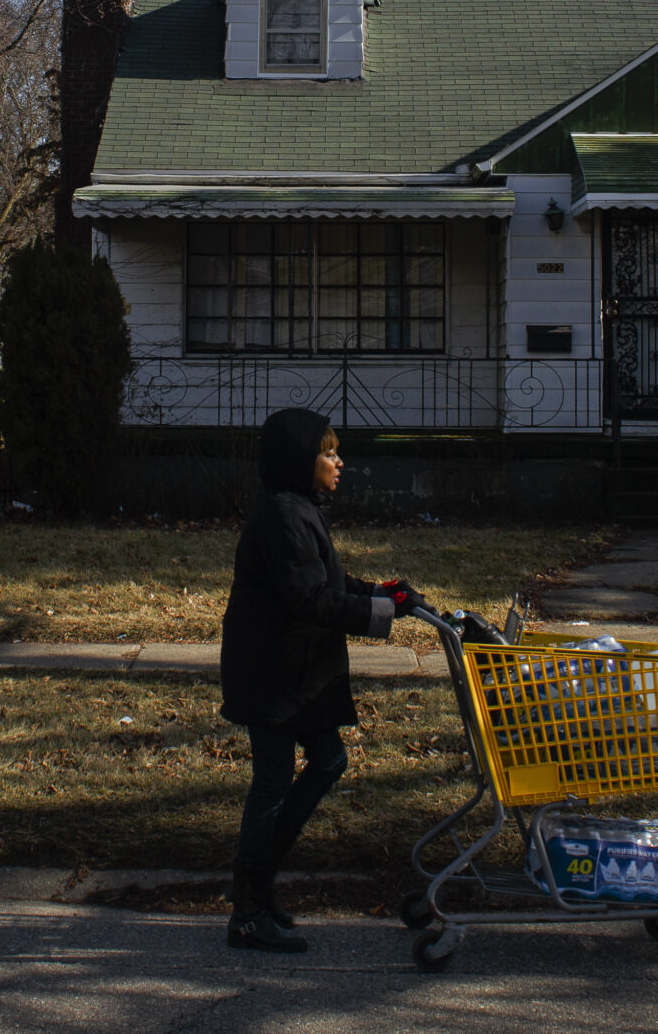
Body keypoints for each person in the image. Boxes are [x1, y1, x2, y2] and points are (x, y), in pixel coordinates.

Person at [218, 407, 425, 953]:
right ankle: (247, 909)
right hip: (272, 676)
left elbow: (327, 580)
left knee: (329, 759)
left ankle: (259, 891)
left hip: (293, 674)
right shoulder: (284, 516)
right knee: (271, 784)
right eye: (329, 452)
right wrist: (382, 614)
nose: (339, 461)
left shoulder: (298, 508)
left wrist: (383, 593)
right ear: (300, 461)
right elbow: (310, 599)